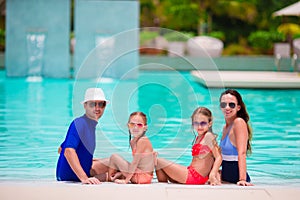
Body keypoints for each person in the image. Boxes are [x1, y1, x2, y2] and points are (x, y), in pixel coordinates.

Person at [155, 107, 222, 185]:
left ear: (210, 123)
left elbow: (218, 157)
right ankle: (164, 189)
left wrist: (212, 175)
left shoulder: (208, 136)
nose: (199, 127)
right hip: (192, 173)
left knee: (157, 161)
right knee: (162, 169)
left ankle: (163, 191)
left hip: (194, 176)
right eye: (196, 123)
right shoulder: (198, 137)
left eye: (203, 123)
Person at [56, 88, 109, 184]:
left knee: (113, 162)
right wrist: (84, 178)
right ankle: (140, 174)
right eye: (92, 104)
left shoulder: (89, 124)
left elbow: (61, 148)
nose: (97, 108)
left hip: (78, 171)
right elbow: (68, 151)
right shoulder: (80, 123)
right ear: (85, 105)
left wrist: (88, 159)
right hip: (71, 176)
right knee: (117, 164)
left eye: (101, 104)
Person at [108, 112, 156, 184]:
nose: (135, 127)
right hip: (141, 174)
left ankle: (110, 178)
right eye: (132, 124)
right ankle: (115, 176)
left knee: (114, 157)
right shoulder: (133, 141)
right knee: (115, 160)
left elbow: (135, 162)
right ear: (128, 126)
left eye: (139, 125)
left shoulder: (142, 141)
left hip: (142, 177)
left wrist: (126, 181)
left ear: (145, 128)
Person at [219, 89, 253, 186]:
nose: (227, 107)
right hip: (225, 177)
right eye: (223, 104)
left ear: (238, 107)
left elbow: (241, 153)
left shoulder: (239, 123)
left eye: (231, 104)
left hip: (236, 177)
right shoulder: (225, 127)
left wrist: (242, 179)